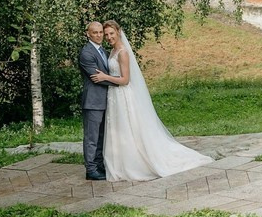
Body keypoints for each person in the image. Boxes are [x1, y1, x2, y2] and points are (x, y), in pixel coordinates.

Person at [91, 20, 212, 181]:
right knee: (118, 130)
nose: (108, 37)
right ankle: (118, 163)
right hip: (114, 96)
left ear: (118, 32)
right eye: (106, 34)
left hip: (123, 95)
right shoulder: (112, 51)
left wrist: (104, 77)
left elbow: (125, 80)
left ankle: (134, 163)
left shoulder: (122, 52)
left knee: (129, 128)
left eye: (111, 33)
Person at [77, 21, 111, 181]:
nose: (99, 35)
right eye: (95, 32)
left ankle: (99, 165)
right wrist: (121, 80)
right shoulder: (86, 53)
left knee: (101, 136)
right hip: (92, 101)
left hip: (104, 101)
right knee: (92, 137)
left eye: (100, 32)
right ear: (88, 34)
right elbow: (97, 78)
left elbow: (104, 73)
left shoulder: (102, 50)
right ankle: (90, 169)